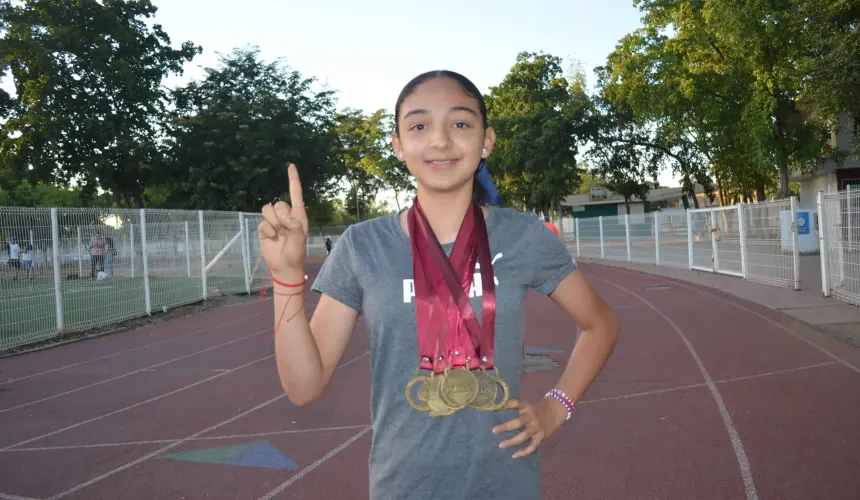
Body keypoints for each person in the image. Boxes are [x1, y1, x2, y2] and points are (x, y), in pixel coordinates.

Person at [257, 70, 619, 500]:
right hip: (402, 486)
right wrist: (286, 276)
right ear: (398, 144)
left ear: (487, 140)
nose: (441, 140)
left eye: (461, 123)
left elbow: (601, 324)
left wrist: (558, 406)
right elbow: (304, 387)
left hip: (505, 484)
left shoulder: (524, 236)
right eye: (419, 125)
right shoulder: (363, 246)